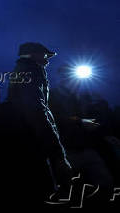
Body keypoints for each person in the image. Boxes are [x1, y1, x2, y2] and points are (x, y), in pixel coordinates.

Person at [6, 42, 73, 201]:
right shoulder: (30, 71)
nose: (48, 60)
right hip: (32, 141)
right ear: (32, 54)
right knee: (44, 191)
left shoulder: (24, 71)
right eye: (44, 55)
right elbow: (36, 110)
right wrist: (57, 153)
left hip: (28, 138)